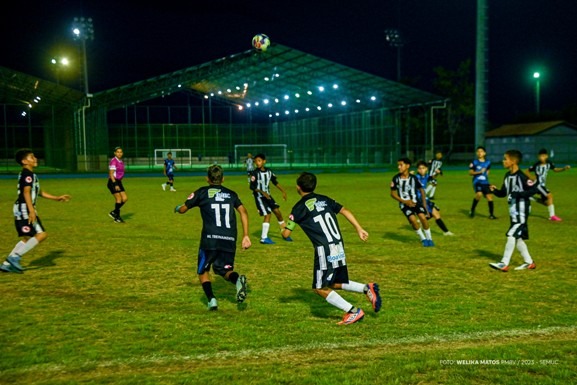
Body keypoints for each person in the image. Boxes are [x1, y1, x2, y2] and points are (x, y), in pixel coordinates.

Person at [281, 172, 381, 325]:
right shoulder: (325, 199)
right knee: (333, 282)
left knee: (319, 288)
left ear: (298, 187)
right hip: (337, 245)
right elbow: (345, 210)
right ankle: (367, 288)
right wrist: (359, 229)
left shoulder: (299, 208)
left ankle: (354, 311)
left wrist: (283, 226)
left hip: (324, 249)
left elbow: (286, 233)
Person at [174, 164, 251, 310]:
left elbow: (184, 209)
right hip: (229, 238)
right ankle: (237, 281)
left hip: (210, 240)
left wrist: (178, 208)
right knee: (224, 270)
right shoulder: (231, 194)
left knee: (203, 270)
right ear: (223, 179)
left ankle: (212, 300)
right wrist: (246, 235)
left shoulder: (202, 192)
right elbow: (244, 212)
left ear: (207, 179)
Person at [1, 149, 71, 273]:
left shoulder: (29, 174)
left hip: (22, 207)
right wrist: (31, 210)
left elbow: (39, 192)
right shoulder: (27, 174)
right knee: (41, 234)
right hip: (24, 208)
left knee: (27, 237)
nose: (35, 159)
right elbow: (26, 192)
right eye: (32, 157)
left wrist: (56, 198)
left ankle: (6, 264)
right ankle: (15, 257)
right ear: (24, 161)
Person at [488, 149, 544, 272]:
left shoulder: (522, 176)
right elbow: (504, 193)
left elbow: (534, 189)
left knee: (511, 234)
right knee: (518, 238)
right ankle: (529, 262)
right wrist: (494, 190)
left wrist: (519, 194)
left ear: (513, 161)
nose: (503, 161)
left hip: (522, 211)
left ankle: (504, 263)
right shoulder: (507, 176)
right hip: (513, 212)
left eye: (505, 159)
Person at [390, 157, 435, 247]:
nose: (399, 167)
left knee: (423, 218)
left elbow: (422, 190)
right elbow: (392, 193)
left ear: (407, 166)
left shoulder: (414, 178)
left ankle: (429, 238)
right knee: (413, 220)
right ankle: (423, 239)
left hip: (415, 202)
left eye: (401, 165)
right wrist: (404, 201)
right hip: (404, 204)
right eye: (398, 165)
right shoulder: (396, 178)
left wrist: (425, 206)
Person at [249, 153, 292, 244]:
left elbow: (275, 182)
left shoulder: (269, 172)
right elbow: (252, 187)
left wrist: (283, 191)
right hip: (259, 197)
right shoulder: (254, 173)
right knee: (268, 214)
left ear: (264, 161)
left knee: (278, 212)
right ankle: (263, 238)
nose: (257, 163)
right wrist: (262, 192)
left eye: (259, 161)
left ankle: (284, 233)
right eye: (256, 161)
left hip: (268, 196)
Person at [525, 148, 571, 221]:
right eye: (540, 156)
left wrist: (563, 169)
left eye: (543, 156)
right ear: (538, 157)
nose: (542, 158)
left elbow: (555, 169)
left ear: (546, 156)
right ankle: (552, 216)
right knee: (550, 196)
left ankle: (530, 197)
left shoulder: (549, 163)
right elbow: (526, 171)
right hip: (537, 184)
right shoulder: (536, 165)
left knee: (547, 203)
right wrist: (532, 177)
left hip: (542, 185)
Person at [415, 160, 454, 236]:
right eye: (419, 168)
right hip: (421, 199)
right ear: (417, 170)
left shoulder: (425, 176)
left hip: (425, 199)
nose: (421, 170)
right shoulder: (416, 177)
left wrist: (437, 173)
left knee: (434, 214)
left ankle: (420, 220)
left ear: (426, 169)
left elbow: (431, 177)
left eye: (423, 168)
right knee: (436, 214)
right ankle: (446, 232)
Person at [468, 146, 496, 219]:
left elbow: (487, 172)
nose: (479, 153)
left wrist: (486, 176)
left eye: (481, 151)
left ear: (484, 153)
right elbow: (470, 173)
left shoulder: (488, 162)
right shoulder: (474, 162)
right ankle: (472, 210)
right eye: (478, 151)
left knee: (489, 197)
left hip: (485, 182)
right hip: (477, 182)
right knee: (479, 194)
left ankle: (491, 215)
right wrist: (479, 172)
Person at [107, 146, 128, 223]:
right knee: (119, 199)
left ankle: (114, 212)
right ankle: (117, 217)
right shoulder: (113, 161)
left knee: (125, 198)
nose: (119, 153)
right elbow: (111, 174)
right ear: (115, 153)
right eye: (118, 152)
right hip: (113, 182)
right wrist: (115, 184)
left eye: (120, 152)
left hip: (118, 182)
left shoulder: (121, 161)